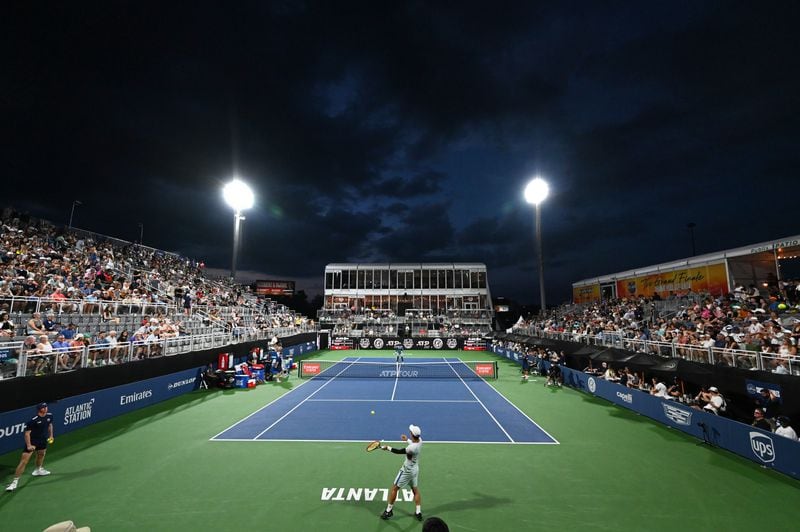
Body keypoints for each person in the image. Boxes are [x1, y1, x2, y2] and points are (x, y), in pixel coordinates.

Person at [6, 402, 54, 491]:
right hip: (32, 442)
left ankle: (38, 470)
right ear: (40, 409)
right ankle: (14, 482)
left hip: (43, 440)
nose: (46, 408)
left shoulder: (49, 416)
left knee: (41, 455)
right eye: (44, 407)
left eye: (46, 406)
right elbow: (27, 434)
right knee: (24, 461)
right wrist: (29, 445)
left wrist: (51, 435)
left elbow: (50, 425)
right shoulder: (33, 420)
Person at [380, 424, 423, 522]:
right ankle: (418, 512)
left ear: (412, 434)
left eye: (410, 431)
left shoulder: (411, 448)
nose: (409, 432)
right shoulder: (420, 441)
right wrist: (407, 440)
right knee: (415, 490)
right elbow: (413, 442)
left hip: (406, 471)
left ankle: (388, 511)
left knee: (394, 488)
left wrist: (387, 448)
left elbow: (398, 451)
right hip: (415, 470)